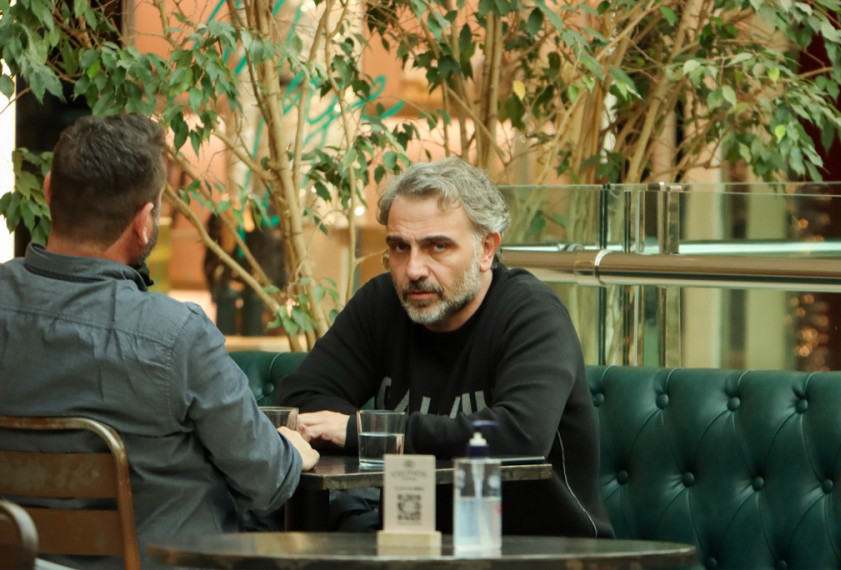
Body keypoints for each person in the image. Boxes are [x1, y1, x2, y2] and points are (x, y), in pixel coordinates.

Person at [0, 113, 319, 569]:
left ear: (48, 191)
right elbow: (266, 480)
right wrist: (289, 450)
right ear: (144, 222)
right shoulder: (177, 336)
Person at [278, 156, 613, 538]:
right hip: (413, 545)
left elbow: (519, 434)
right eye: (399, 247)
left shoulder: (532, 315)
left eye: (437, 246)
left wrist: (363, 431)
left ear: (486, 249)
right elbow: (302, 400)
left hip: (545, 550)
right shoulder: (383, 303)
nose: (413, 269)